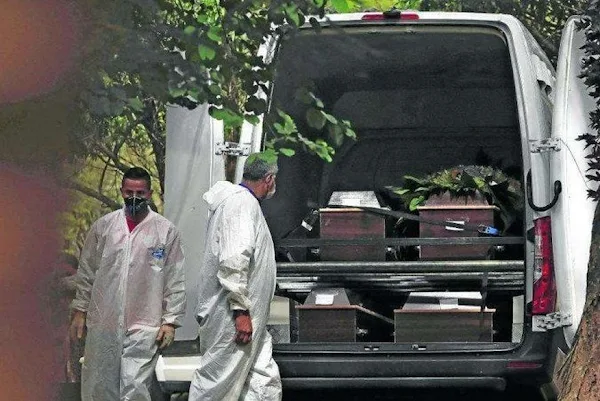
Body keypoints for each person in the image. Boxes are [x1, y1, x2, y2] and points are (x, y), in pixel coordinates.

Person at [69, 167, 186, 401]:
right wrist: (80, 311)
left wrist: (170, 321)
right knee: (100, 386)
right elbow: (87, 272)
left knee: (136, 386)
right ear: (122, 191)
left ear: (149, 193)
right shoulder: (104, 227)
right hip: (105, 321)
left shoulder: (165, 231)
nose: (134, 198)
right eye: (129, 192)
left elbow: (175, 278)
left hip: (145, 323)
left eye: (140, 193)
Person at [188, 154, 282, 401]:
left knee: (262, 382)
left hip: (251, 318)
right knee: (216, 386)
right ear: (269, 179)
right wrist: (240, 312)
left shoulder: (243, 204)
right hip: (231, 317)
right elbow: (233, 259)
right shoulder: (241, 204)